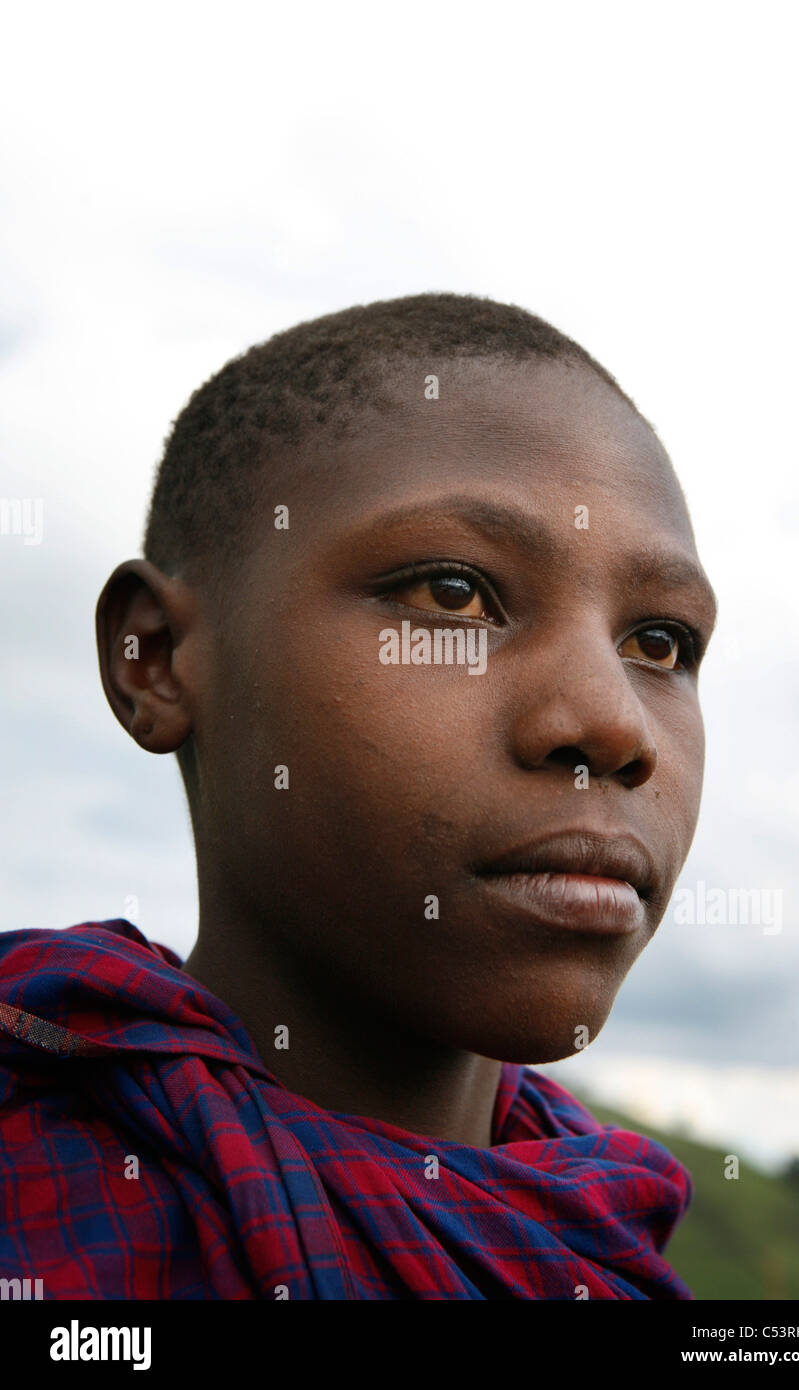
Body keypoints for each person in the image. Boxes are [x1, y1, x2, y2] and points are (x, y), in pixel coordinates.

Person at [0, 293, 716, 1299]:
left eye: (659, 643)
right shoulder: (40, 1213)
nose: (613, 728)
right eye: (453, 595)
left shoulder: (603, 1242)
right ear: (155, 658)